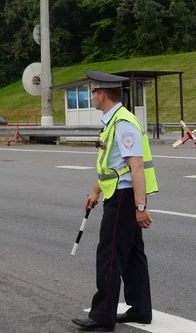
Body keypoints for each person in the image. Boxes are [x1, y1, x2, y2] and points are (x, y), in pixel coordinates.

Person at [71, 71, 159, 332]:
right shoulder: (114, 122)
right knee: (133, 256)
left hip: (123, 198)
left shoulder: (123, 123)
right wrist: (95, 192)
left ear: (101, 95)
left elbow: (137, 166)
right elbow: (113, 166)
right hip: (117, 194)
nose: (92, 98)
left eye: (93, 93)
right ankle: (140, 310)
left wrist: (140, 207)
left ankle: (102, 316)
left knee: (109, 255)